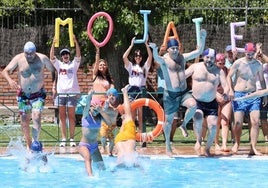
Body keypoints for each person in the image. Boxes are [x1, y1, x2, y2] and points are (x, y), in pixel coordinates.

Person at [149, 29, 207, 156]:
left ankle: (184, 124)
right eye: (172, 48)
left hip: (183, 92)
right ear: (168, 50)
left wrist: (203, 38)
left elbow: (198, 51)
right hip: (170, 95)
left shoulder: (182, 57)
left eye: (176, 48)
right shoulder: (164, 60)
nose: (175, 50)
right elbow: (156, 58)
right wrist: (154, 49)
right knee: (169, 121)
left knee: (193, 105)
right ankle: (168, 145)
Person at [1, 41, 55, 150]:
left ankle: (36, 142)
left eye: (31, 53)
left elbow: (54, 71)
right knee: (24, 120)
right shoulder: (19, 58)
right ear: (24, 51)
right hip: (23, 95)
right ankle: (29, 144)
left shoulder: (42, 58)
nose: (29, 56)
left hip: (38, 94)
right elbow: (5, 71)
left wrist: (54, 86)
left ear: (35, 52)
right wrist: (10, 81)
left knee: (36, 115)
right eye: (27, 53)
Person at [185, 48, 229, 156]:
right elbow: (182, 76)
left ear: (214, 59)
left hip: (211, 102)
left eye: (211, 58)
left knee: (213, 126)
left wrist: (226, 93)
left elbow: (226, 86)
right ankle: (199, 140)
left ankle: (208, 148)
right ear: (203, 57)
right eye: (207, 57)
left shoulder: (219, 71)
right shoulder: (195, 67)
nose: (209, 60)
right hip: (197, 101)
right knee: (198, 119)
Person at [227, 42, 267, 155]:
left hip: (254, 95)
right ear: (245, 52)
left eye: (252, 53)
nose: (250, 55)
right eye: (248, 53)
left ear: (254, 52)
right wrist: (230, 90)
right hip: (239, 95)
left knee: (255, 122)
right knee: (238, 123)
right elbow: (229, 76)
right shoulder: (238, 63)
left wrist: (264, 95)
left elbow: (262, 80)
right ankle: (237, 143)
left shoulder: (258, 64)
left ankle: (253, 147)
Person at [50, 35, 81, 147]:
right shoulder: (59, 64)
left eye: (67, 54)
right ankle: (64, 138)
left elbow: (78, 55)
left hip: (72, 94)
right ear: (61, 56)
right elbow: (52, 57)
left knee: (71, 116)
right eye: (63, 54)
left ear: (69, 55)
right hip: (61, 94)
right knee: (62, 116)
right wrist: (53, 43)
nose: (65, 55)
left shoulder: (74, 64)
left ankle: (72, 138)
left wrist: (75, 41)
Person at [78, 89, 116, 176]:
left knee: (102, 168)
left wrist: (101, 110)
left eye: (96, 108)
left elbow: (110, 123)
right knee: (88, 159)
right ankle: (90, 177)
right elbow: (87, 104)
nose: (94, 110)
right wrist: (90, 96)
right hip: (84, 145)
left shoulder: (99, 117)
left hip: (94, 147)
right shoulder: (86, 115)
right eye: (93, 107)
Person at [122, 37, 152, 147]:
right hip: (132, 90)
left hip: (141, 90)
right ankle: (132, 138)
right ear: (134, 57)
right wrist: (131, 46)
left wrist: (146, 45)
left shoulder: (144, 68)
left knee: (141, 116)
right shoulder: (131, 66)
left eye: (139, 56)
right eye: (136, 55)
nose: (138, 57)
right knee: (131, 115)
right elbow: (124, 57)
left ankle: (142, 139)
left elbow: (150, 57)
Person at [114, 85, 138, 166]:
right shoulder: (127, 122)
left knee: (121, 154)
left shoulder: (123, 126)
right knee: (130, 154)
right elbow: (127, 110)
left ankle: (117, 166)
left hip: (119, 138)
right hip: (128, 135)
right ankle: (124, 92)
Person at [214, 53, 232, 152]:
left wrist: (226, 93)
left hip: (225, 98)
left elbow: (229, 84)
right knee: (216, 122)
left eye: (223, 63)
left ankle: (224, 144)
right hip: (214, 97)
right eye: (219, 63)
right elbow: (209, 85)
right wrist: (216, 94)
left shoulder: (227, 70)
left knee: (225, 122)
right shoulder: (211, 71)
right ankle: (216, 143)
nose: (221, 64)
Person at [99, 88, 119, 156]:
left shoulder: (118, 106)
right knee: (103, 137)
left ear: (116, 97)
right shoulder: (106, 104)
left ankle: (110, 152)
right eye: (110, 95)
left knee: (112, 141)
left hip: (113, 126)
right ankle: (103, 147)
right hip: (105, 125)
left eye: (113, 95)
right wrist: (107, 102)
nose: (111, 97)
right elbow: (104, 109)